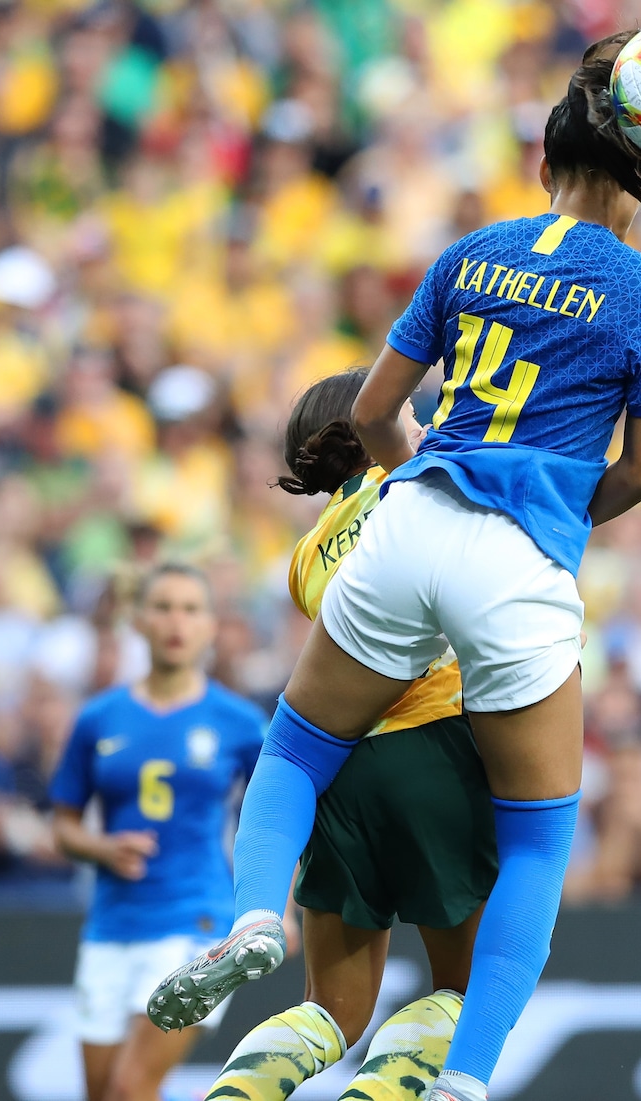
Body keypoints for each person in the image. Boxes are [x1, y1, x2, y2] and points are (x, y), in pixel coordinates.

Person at [147, 31, 641, 1101]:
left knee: (294, 752)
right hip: (517, 561)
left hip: (408, 518)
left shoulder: (468, 252)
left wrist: (429, 483)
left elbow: (369, 410)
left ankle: (254, 914)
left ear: (543, 167)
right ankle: (465, 1080)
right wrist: (549, 508)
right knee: (537, 845)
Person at [200, 369, 498, 1101]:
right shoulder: (425, 480)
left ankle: (235, 1093)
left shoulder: (303, 559)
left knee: (329, 1011)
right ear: (378, 422)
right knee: (470, 991)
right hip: (437, 747)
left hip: (333, 772)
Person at [47, 564, 266, 1101]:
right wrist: (100, 847)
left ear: (212, 625)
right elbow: (63, 825)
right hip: (111, 924)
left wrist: (276, 903)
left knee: (131, 1087)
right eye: (163, 607)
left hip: (195, 919)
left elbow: (277, 816)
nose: (177, 622)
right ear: (138, 620)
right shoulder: (98, 718)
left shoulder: (237, 721)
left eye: (191, 609)